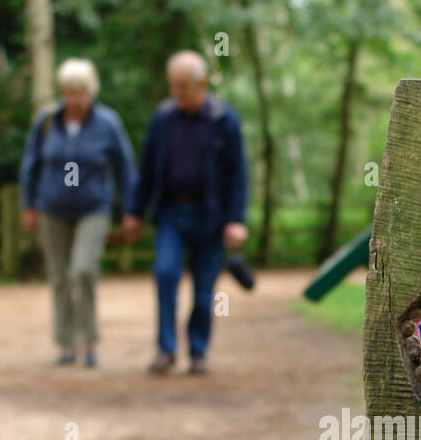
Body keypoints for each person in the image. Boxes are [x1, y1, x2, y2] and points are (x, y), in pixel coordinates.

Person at [123, 51, 251, 375]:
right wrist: (134, 212)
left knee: (204, 290)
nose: (177, 92)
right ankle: (166, 350)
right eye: (173, 86)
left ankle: (198, 351)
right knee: (165, 273)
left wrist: (236, 219)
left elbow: (238, 175)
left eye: (183, 86)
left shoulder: (224, 120)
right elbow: (147, 169)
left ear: (202, 84)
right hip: (171, 212)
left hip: (211, 217)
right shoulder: (163, 119)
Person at [19, 58, 136, 366]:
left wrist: (131, 209)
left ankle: (89, 339)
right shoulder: (47, 121)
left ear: (91, 92)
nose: (75, 99)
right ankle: (65, 342)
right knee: (59, 278)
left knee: (82, 271)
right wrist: (27, 204)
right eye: (69, 92)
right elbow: (30, 165)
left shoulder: (107, 123)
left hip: (93, 208)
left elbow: (125, 167)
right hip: (52, 208)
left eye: (80, 92)